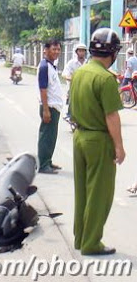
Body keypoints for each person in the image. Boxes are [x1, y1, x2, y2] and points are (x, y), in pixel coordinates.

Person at [70, 28, 124, 255]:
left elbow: (71, 107)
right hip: (98, 140)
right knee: (99, 193)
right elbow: (111, 116)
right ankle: (92, 243)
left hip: (79, 136)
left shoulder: (80, 73)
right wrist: (119, 147)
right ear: (112, 54)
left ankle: (81, 238)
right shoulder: (105, 78)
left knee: (82, 191)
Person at [37, 39, 63, 174]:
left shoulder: (51, 66)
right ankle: (42, 164)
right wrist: (46, 110)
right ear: (46, 50)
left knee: (52, 136)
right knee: (46, 136)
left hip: (55, 107)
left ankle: (48, 161)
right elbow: (43, 89)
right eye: (54, 49)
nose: (56, 52)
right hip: (49, 107)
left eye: (58, 49)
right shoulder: (44, 67)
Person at [62, 43, 87, 120]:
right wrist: (72, 78)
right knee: (71, 98)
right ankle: (69, 114)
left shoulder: (88, 63)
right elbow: (65, 74)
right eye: (80, 51)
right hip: (74, 86)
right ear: (76, 52)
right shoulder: (71, 63)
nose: (81, 52)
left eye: (83, 51)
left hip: (86, 87)